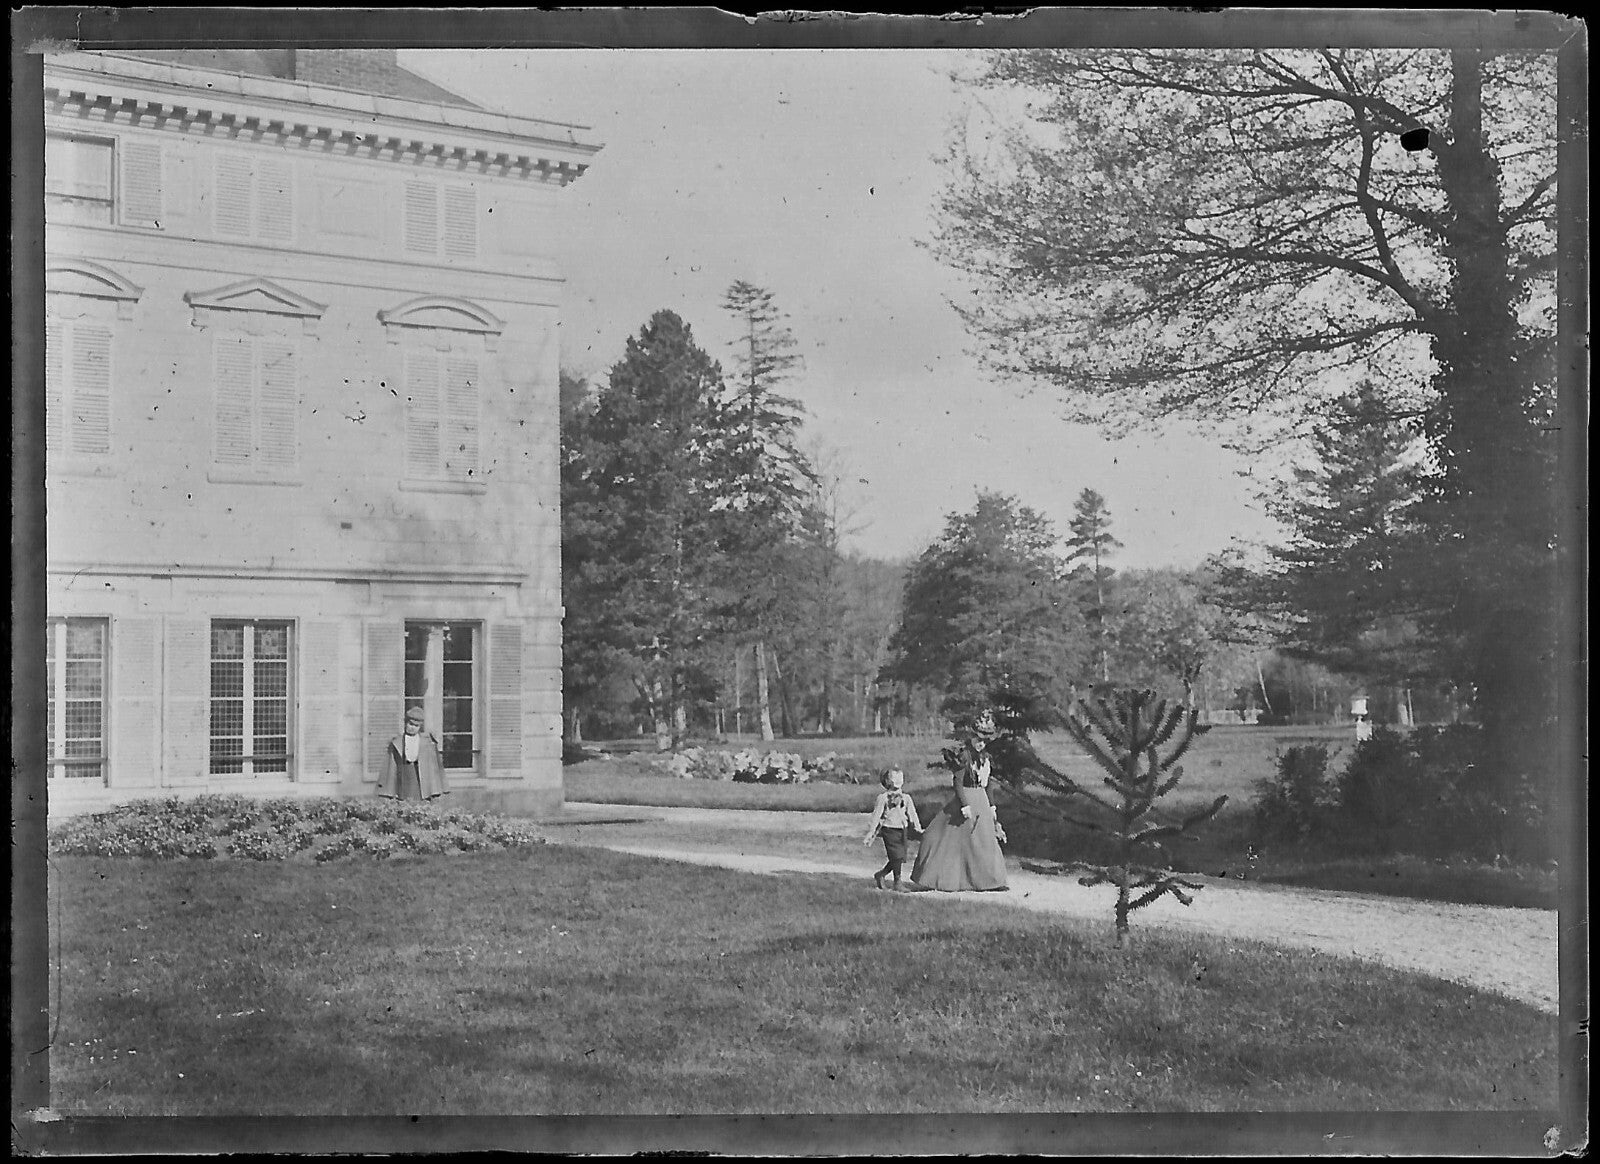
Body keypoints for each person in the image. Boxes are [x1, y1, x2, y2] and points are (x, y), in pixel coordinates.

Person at [909, 709, 1008, 892]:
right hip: (966, 801)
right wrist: (964, 804)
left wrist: (992, 805)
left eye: (984, 741)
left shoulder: (986, 759)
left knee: (984, 842)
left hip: (982, 802)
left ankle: (990, 880)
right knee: (945, 838)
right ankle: (942, 878)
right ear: (971, 738)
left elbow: (988, 785)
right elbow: (958, 782)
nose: (981, 744)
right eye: (978, 739)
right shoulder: (964, 757)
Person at [863, 768, 923, 892]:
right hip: (889, 829)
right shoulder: (883, 798)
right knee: (896, 855)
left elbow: (912, 813)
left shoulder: (906, 798)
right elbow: (876, 815)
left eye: (900, 777)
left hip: (902, 828)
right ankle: (897, 882)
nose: (898, 780)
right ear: (887, 781)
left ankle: (881, 874)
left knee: (900, 856)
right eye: (894, 778)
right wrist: (871, 832)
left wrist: (917, 827)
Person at [378, 706, 450, 802]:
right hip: (404, 775)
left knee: (420, 802)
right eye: (410, 724)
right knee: (404, 802)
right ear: (405, 723)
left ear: (420, 727)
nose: (412, 728)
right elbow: (390, 766)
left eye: (416, 726)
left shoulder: (426, 743)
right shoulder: (397, 742)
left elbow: (435, 768)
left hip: (420, 776)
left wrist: (436, 788)